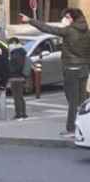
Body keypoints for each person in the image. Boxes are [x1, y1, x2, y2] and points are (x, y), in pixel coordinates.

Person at [21, 8, 90, 136]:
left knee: (72, 101)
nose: (64, 19)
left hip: (71, 69)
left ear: (71, 18)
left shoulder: (69, 31)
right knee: (82, 100)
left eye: (66, 17)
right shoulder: (86, 30)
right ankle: (84, 128)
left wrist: (30, 20)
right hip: (84, 68)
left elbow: (48, 29)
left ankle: (71, 129)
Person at [7, 37, 30, 121]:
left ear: (14, 43)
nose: (9, 46)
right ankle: (23, 113)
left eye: (9, 44)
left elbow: (15, 66)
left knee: (17, 97)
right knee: (20, 96)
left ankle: (19, 114)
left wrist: (9, 70)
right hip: (21, 77)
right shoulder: (21, 52)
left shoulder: (16, 53)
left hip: (15, 77)